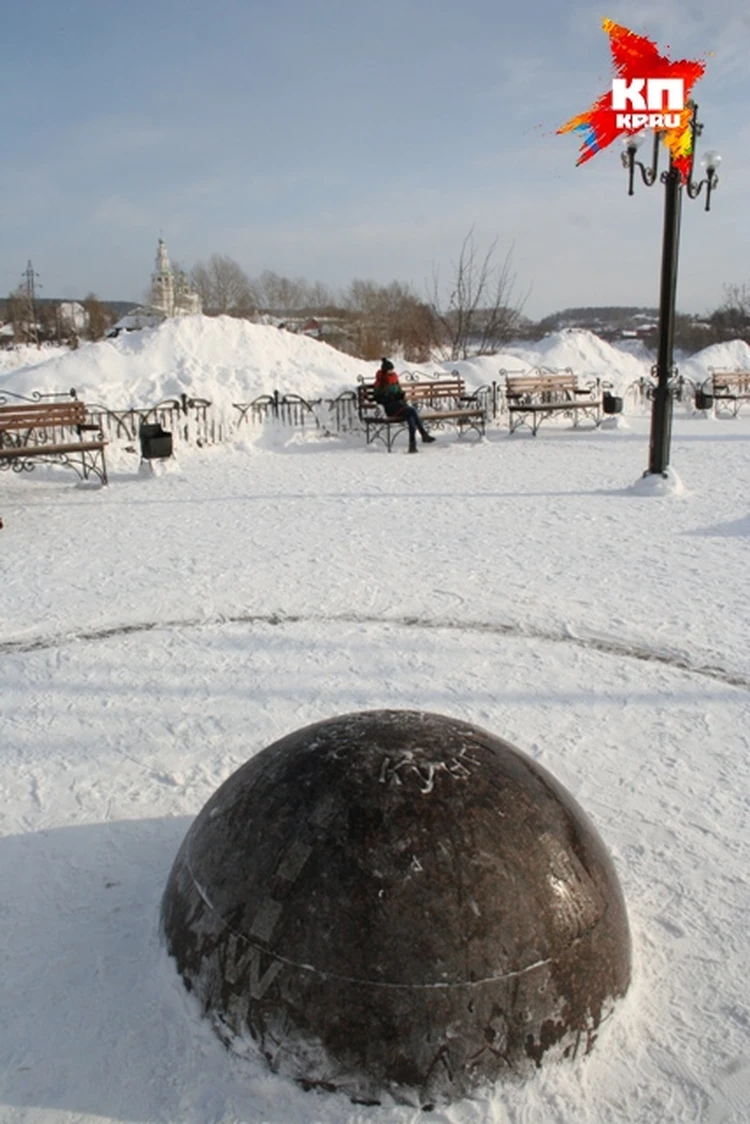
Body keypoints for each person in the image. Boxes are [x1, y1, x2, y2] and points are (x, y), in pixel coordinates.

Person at [373, 359, 436, 453]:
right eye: (389, 370)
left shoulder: (395, 380)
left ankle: (412, 445)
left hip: (399, 405)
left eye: (392, 370)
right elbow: (378, 398)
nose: (391, 372)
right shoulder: (380, 382)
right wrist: (389, 397)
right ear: (385, 371)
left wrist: (400, 395)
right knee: (412, 411)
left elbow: (399, 392)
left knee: (411, 416)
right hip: (390, 408)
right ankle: (423, 435)